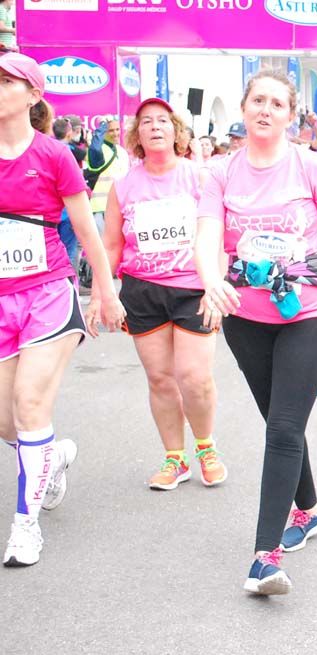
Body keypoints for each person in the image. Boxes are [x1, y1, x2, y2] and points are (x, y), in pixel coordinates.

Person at [194, 70, 317, 595]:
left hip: (311, 310)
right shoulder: (221, 171)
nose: (265, 110)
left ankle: (264, 557)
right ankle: (310, 509)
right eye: (258, 100)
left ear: (291, 114)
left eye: (277, 103)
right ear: (244, 106)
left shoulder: (312, 166)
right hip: (245, 315)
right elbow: (208, 234)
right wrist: (211, 282)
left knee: (281, 429)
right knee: (283, 423)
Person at [0, 52, 124, 566]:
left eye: (7, 81)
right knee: (8, 423)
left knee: (30, 403)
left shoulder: (54, 154)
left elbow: (87, 227)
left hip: (49, 290)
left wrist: (105, 290)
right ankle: (51, 458)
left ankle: (25, 525)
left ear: (32, 96)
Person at [101, 97, 226, 491]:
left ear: (176, 131)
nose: (155, 127)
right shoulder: (123, 187)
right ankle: (175, 457)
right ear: (137, 135)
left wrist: (216, 285)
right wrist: (101, 295)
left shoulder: (199, 177)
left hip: (192, 287)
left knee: (195, 378)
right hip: (143, 290)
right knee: (160, 379)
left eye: (162, 121)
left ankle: (205, 446)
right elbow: (111, 246)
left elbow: (217, 235)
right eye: (146, 122)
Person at [83, 116, 128, 235]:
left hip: (122, 208)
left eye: (117, 129)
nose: (116, 133)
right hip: (101, 209)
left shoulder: (122, 152)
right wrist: (102, 125)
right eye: (111, 130)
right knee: (105, 249)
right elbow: (95, 148)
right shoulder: (98, 150)